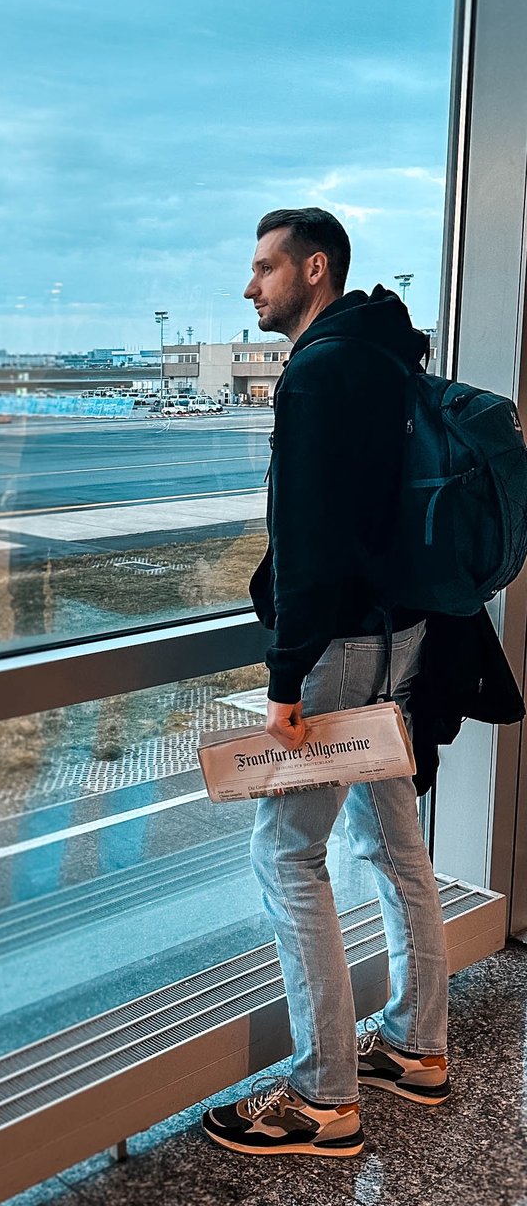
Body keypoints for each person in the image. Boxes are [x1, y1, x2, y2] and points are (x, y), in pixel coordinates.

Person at [202, 208, 449, 1159]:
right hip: (402, 636)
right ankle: (418, 1050)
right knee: (396, 848)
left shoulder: (318, 372)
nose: (250, 286)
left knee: (287, 859)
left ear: (314, 269)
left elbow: (305, 536)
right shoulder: (390, 355)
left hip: (340, 647)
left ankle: (323, 1100)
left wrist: (284, 674)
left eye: (264, 268)